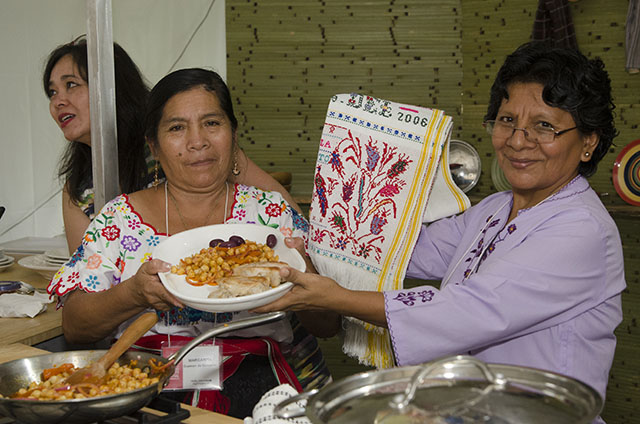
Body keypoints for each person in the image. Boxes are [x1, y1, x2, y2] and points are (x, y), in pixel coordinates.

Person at [255, 41, 625, 422]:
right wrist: (323, 233)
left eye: (543, 126)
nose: (517, 141)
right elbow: (406, 249)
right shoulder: (497, 208)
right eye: (507, 120)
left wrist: (337, 298)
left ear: (588, 142)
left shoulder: (583, 230)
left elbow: (466, 310)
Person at [47, 68, 331, 418]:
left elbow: (328, 326)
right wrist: (133, 294)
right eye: (177, 128)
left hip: (263, 390)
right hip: (150, 390)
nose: (197, 141)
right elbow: (75, 327)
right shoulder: (118, 219)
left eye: (212, 123)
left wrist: (305, 277)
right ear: (154, 144)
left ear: (233, 133)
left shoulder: (269, 213)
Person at [43, 37, 299, 254]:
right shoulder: (77, 188)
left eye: (71, 85)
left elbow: (286, 213)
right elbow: (86, 277)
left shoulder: (193, 147)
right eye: (52, 92)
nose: (58, 101)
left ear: (111, 87)